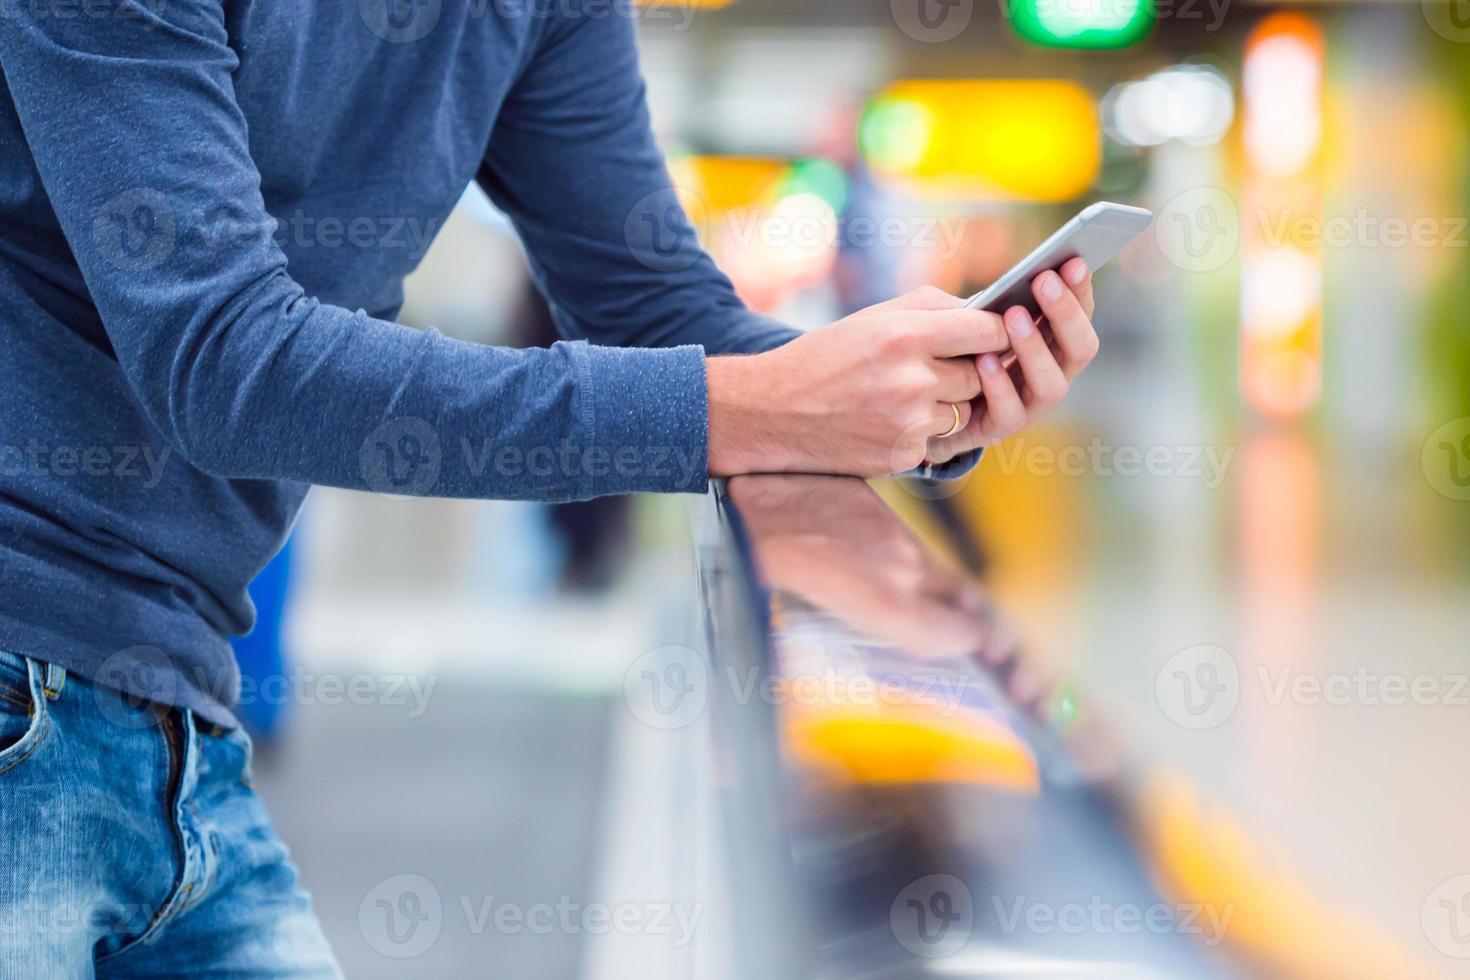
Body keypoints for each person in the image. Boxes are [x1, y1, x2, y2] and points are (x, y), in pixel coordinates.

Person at [0, 1, 1102, 973]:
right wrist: (763, 406)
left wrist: (923, 392)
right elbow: (230, 365)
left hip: (175, 707)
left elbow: (660, 308)